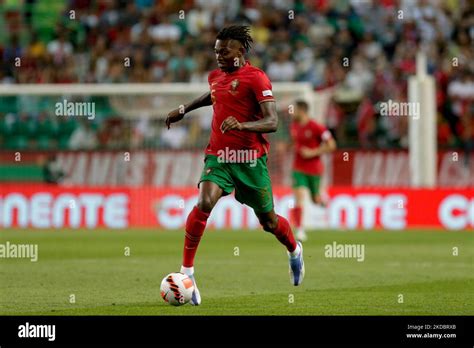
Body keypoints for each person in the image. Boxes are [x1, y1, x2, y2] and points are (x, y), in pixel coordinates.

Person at [165, 25, 304, 305]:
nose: (218, 55)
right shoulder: (216, 76)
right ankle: (187, 273)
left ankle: (293, 250)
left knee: (269, 222)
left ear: (240, 51)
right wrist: (184, 109)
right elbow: (214, 95)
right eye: (216, 51)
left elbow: (273, 122)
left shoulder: (257, 79)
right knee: (204, 202)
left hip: (250, 160)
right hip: (219, 155)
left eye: (224, 51)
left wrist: (242, 124)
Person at [289, 100, 337, 242]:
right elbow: (295, 143)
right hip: (298, 168)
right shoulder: (294, 126)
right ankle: (300, 230)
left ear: (302, 111)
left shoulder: (316, 126)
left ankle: (322, 201)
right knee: (299, 196)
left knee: (315, 200)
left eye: (295, 110)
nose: (293, 113)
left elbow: (332, 145)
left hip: (314, 169)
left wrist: (312, 152)